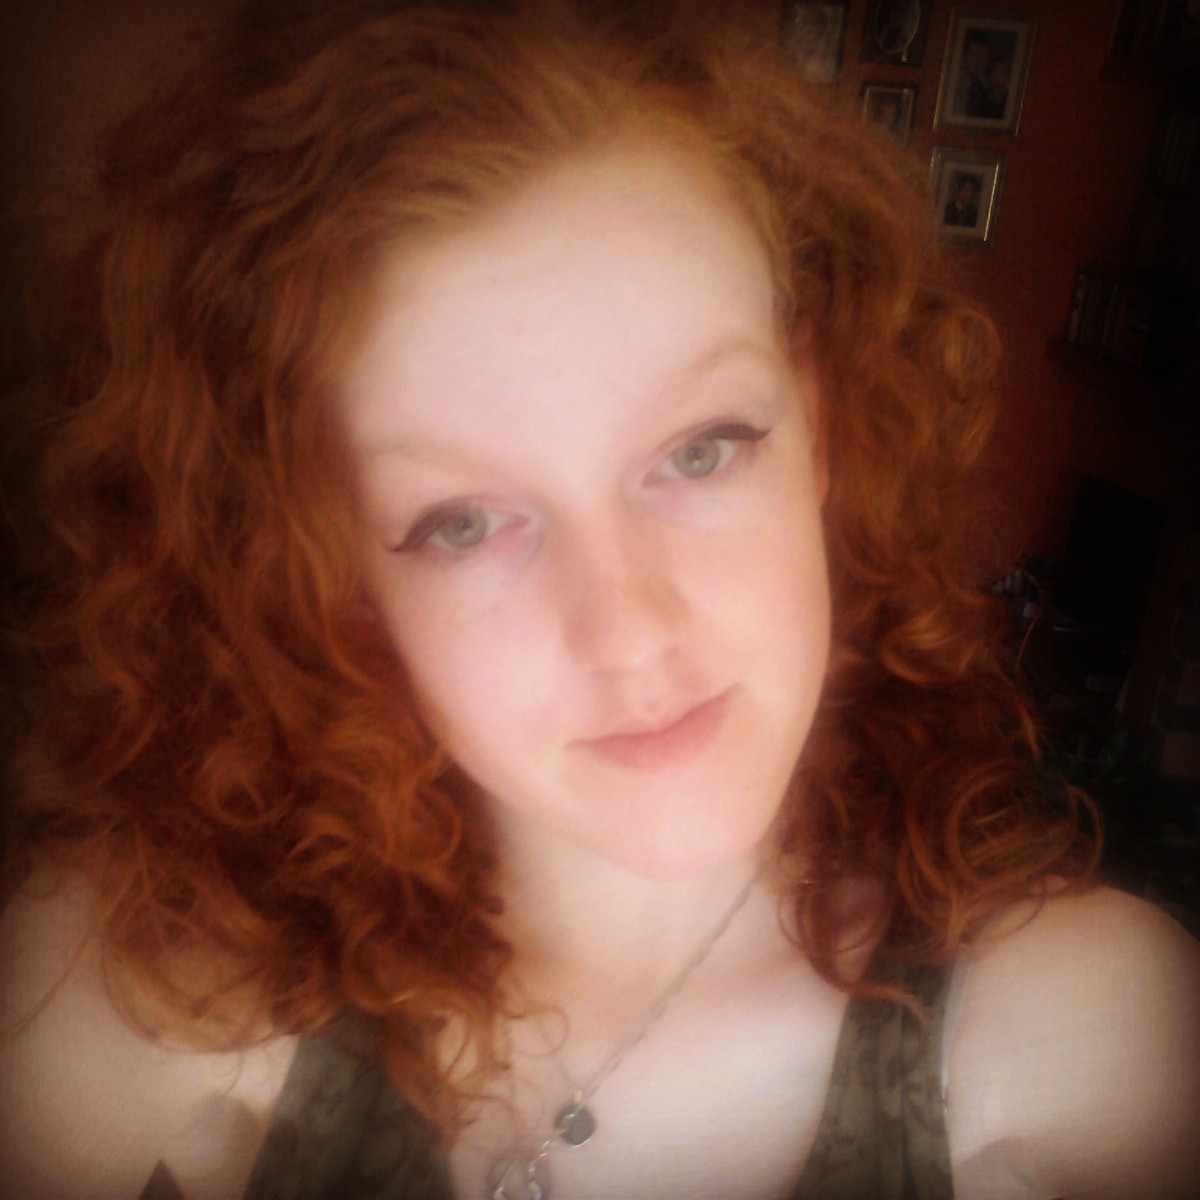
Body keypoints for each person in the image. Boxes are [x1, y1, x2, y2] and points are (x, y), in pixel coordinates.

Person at [1, 2, 1197, 1198]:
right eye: (462, 522)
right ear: (332, 571)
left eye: (702, 450)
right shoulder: (145, 1000)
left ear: (819, 432)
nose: (629, 633)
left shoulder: (1094, 1050)